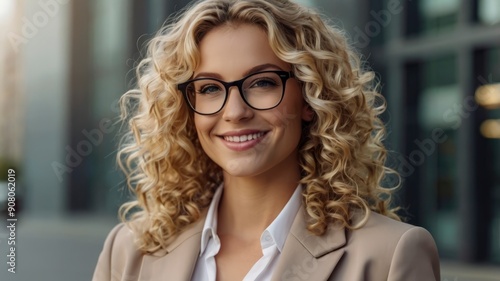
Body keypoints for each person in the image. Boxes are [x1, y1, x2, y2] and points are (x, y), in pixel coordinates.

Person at [93, 0, 440, 280]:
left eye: (262, 83)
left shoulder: (390, 255)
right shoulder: (129, 250)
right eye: (210, 88)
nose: (235, 112)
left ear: (310, 97)